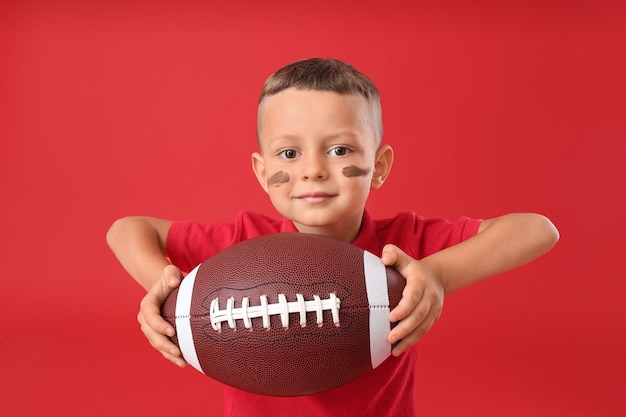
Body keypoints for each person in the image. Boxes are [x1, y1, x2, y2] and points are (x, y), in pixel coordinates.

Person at [106, 58, 559, 417]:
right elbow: (126, 229)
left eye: (339, 149)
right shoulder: (242, 247)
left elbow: (538, 229)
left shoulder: (402, 248)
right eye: (289, 152)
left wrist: (438, 274)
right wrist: (165, 286)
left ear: (378, 166)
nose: (313, 169)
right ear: (263, 173)